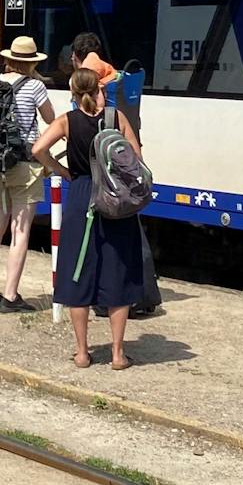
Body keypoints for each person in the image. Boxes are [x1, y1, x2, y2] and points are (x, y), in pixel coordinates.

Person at [34, 68, 145, 369]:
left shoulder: (67, 122)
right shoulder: (116, 118)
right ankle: (118, 354)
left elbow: (38, 149)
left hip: (82, 193)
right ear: (99, 88)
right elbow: (136, 158)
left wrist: (61, 171)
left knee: (78, 269)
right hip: (115, 199)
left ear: (72, 93)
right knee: (117, 271)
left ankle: (82, 352)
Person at [68, 33, 161, 317]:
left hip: (100, 176)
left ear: (76, 56)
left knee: (99, 243)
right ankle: (143, 294)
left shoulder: (91, 76)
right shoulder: (115, 73)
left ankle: (109, 298)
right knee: (129, 235)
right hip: (124, 166)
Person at [0, 36, 55, 313]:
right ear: (32, 63)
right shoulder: (35, 86)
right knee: (20, 230)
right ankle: (10, 296)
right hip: (23, 164)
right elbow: (50, 119)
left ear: (8, 59)